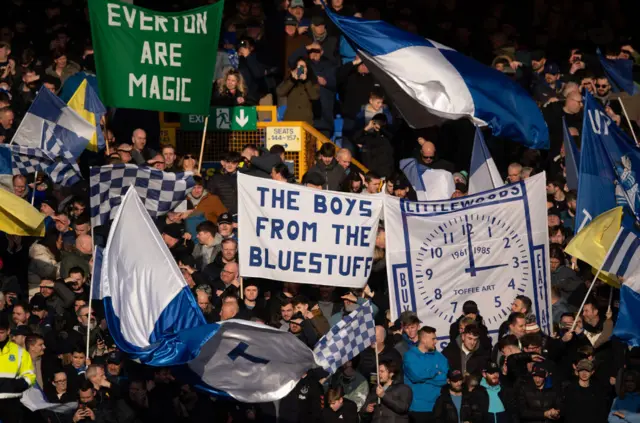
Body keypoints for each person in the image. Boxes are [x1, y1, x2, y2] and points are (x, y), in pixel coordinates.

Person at [403, 326, 449, 422]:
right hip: (417, 408)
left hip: (438, 406)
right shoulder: (410, 356)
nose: (436, 341)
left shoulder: (440, 357)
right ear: (423, 339)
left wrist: (424, 376)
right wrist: (435, 371)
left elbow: (445, 379)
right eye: (433, 339)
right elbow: (416, 376)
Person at [0, 315, 36, 423]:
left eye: (1, 332)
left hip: (12, 403)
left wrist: (15, 385)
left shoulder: (20, 352)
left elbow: (30, 376)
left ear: (8, 331)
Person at [563, 359, 609, 423]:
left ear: (592, 372)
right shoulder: (569, 389)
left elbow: (602, 412)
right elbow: (567, 412)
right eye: (581, 370)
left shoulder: (598, 390)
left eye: (587, 370)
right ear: (577, 372)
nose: (584, 373)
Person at [276, 58, 320, 124]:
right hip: (290, 121)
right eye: (299, 67)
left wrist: (306, 81)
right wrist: (292, 80)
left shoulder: (312, 82)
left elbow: (314, 96)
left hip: (306, 121)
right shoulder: (289, 81)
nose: (301, 69)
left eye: (303, 67)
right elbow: (280, 92)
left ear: (307, 69)